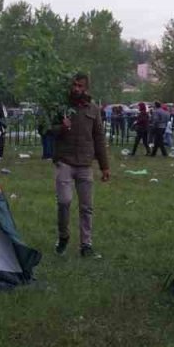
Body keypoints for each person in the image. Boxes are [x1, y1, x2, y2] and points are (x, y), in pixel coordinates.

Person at [52, 72, 110, 258]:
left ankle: (86, 245)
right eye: (74, 85)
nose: (77, 89)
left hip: (85, 164)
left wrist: (104, 166)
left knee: (86, 207)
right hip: (65, 162)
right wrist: (62, 127)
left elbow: (99, 138)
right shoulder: (61, 108)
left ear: (86, 88)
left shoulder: (93, 109)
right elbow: (45, 129)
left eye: (80, 86)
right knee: (64, 201)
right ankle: (63, 236)